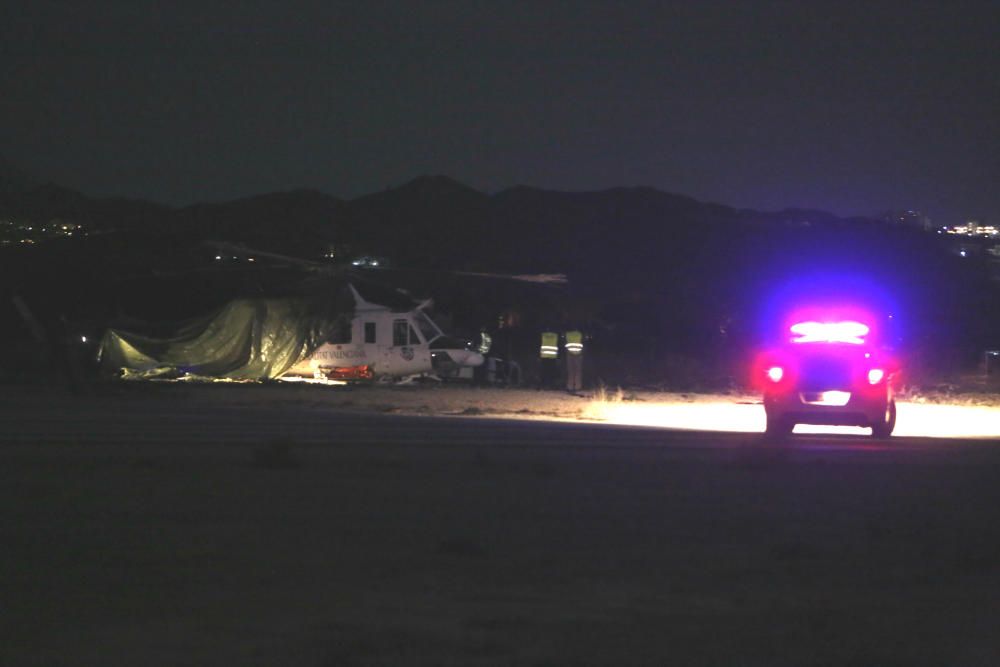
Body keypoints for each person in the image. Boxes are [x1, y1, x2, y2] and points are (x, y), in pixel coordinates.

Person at [564, 328, 584, 393]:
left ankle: (570, 387)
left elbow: (565, 344)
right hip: (578, 354)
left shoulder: (567, 334)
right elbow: (583, 344)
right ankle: (577, 387)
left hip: (569, 354)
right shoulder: (580, 334)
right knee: (578, 371)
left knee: (570, 371)